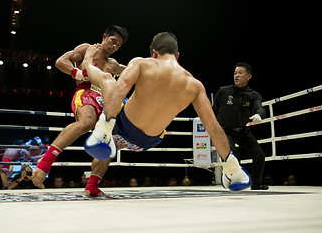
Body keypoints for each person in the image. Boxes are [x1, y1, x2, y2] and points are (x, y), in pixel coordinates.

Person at [82, 32, 251, 196]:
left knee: (109, 81)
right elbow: (212, 126)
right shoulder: (195, 85)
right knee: (114, 143)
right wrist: (229, 163)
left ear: (154, 53)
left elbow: (120, 90)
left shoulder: (141, 64)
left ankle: (102, 131)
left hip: (123, 125)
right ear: (177, 55)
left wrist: (89, 59)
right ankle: (233, 170)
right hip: (149, 141)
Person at [32, 25, 129, 188]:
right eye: (113, 41)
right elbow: (60, 61)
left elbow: (130, 71)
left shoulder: (113, 64)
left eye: (118, 45)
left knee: (112, 142)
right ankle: (45, 163)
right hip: (86, 93)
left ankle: (92, 187)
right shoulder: (87, 49)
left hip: (106, 99)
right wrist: (78, 73)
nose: (114, 47)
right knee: (87, 122)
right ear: (104, 37)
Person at [212, 62, 268, 190]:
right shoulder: (224, 91)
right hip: (225, 130)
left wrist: (259, 115)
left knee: (259, 155)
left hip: (243, 131)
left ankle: (255, 184)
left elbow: (260, 108)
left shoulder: (253, 95)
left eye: (240, 73)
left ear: (248, 76)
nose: (236, 76)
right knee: (233, 156)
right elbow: (213, 110)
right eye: (235, 73)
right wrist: (214, 129)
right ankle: (236, 182)